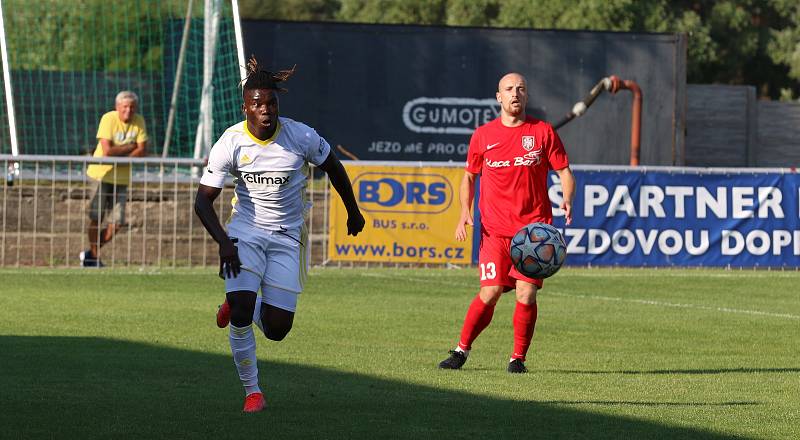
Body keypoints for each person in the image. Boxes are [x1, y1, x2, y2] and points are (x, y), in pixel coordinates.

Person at [194, 56, 365, 413]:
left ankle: (241, 302)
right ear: (246, 108)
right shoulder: (231, 142)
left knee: (277, 329)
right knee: (241, 312)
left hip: (289, 236)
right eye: (257, 104)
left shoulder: (300, 136)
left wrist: (352, 210)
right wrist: (225, 242)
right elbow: (202, 202)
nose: (265, 110)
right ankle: (252, 392)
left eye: (271, 103)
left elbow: (334, 167)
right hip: (246, 232)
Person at [438, 72, 576, 373]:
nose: (516, 93)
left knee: (526, 293)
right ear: (499, 97)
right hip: (495, 231)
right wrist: (465, 211)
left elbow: (564, 171)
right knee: (490, 292)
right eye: (509, 89)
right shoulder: (483, 135)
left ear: (526, 96)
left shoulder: (543, 132)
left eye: (521, 89)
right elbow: (470, 177)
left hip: (533, 233)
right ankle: (461, 350)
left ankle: (517, 359)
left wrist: (567, 198)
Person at [81, 91, 148, 267]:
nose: (128, 110)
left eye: (132, 107)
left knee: (118, 222)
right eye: (125, 107)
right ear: (117, 107)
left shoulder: (139, 121)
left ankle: (91, 254)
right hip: (100, 174)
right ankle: (93, 258)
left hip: (122, 178)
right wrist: (130, 147)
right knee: (97, 217)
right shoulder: (108, 119)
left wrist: (123, 155)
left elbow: (142, 150)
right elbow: (107, 151)